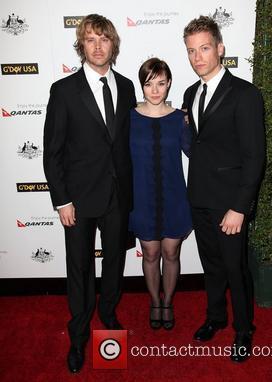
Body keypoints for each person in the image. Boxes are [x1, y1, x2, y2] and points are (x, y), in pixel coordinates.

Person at [43, 14, 136, 373]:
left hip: (118, 196)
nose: (98, 46)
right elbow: (53, 152)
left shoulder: (127, 87)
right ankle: (79, 335)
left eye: (104, 39)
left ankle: (109, 314)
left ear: (114, 44)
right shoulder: (64, 90)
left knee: (114, 261)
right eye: (91, 40)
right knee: (79, 268)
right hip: (78, 200)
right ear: (81, 45)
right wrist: (62, 200)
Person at [182, 16, 265, 362]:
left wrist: (240, 207)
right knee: (211, 265)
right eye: (191, 51)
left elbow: (255, 156)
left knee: (235, 268)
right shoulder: (190, 92)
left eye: (204, 48)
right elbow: (197, 144)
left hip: (230, 202)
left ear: (219, 48)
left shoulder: (244, 94)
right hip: (199, 196)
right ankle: (216, 317)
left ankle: (244, 329)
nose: (197, 57)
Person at [129, 58, 192, 330]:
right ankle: (155, 301)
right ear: (141, 85)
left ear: (169, 84)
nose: (155, 90)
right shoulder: (128, 117)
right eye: (149, 83)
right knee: (151, 253)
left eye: (161, 83)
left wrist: (194, 122)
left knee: (171, 253)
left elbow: (193, 150)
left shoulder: (180, 117)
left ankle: (168, 303)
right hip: (141, 197)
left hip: (174, 196)